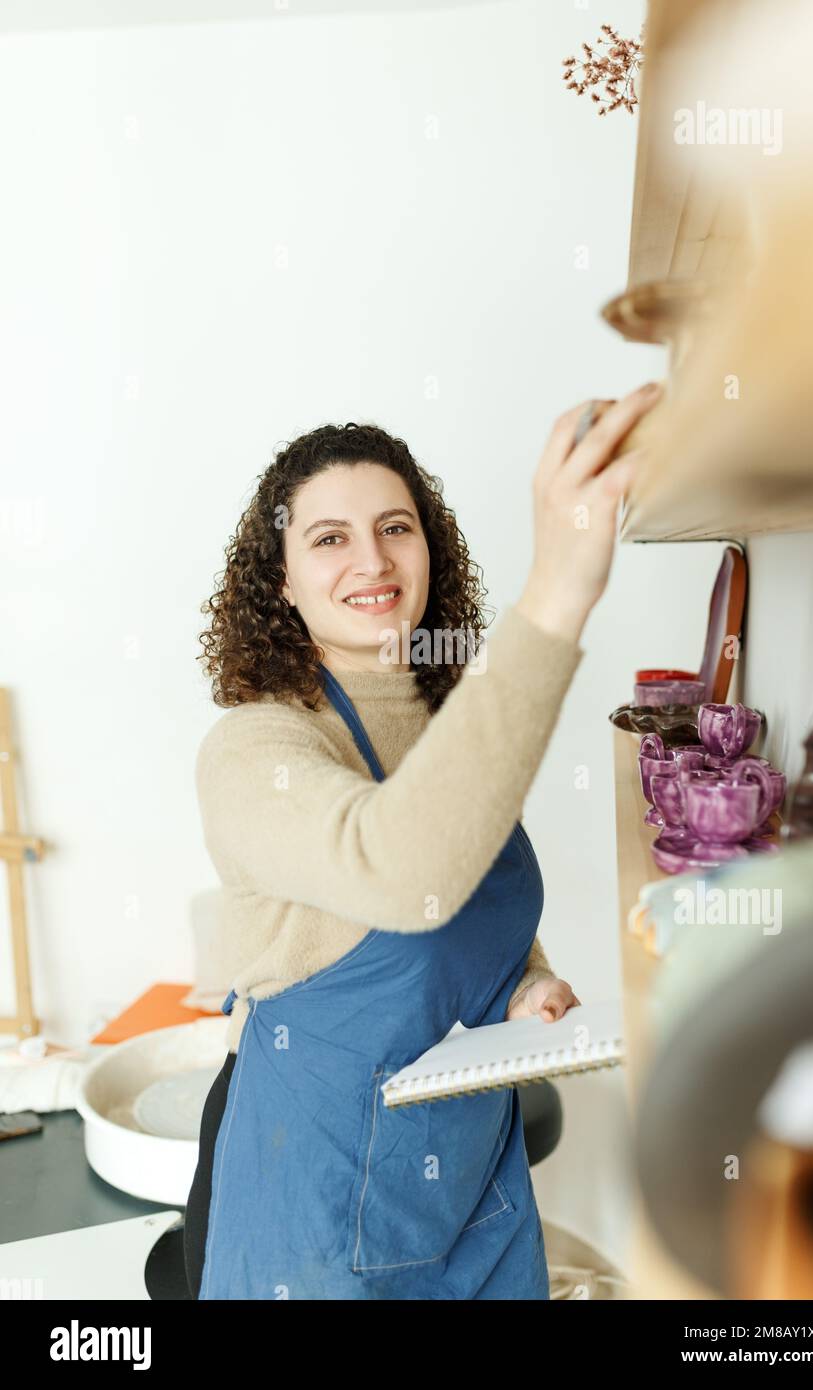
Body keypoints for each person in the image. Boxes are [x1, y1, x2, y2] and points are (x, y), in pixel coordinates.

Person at [184, 384, 661, 1300]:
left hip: (476, 1192)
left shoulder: (451, 717)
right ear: (280, 580)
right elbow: (405, 872)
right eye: (329, 538)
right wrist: (559, 588)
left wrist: (527, 983)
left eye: (395, 527)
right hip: (314, 1210)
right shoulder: (253, 749)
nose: (373, 558)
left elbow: (478, 908)